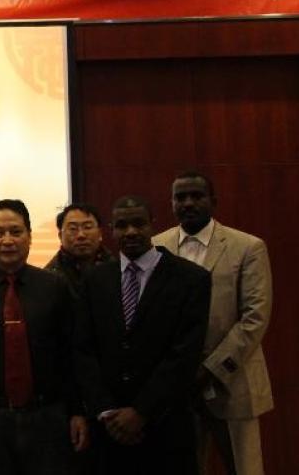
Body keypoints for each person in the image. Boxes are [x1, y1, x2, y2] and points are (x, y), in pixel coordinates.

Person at [76, 195, 210, 475]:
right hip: (109, 430)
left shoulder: (191, 279)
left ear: (153, 225)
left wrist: (141, 411)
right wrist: (107, 411)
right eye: (121, 226)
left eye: (138, 224)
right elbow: (84, 350)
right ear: (110, 230)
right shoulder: (94, 279)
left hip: (166, 426)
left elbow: (185, 354)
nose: (130, 232)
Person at [0, 199, 87, 475]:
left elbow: (70, 353)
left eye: (16, 232)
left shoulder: (54, 286)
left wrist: (76, 411)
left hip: (48, 417)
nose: (7, 240)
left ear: (29, 236)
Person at [152, 172, 273, 475]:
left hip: (233, 382)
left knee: (244, 469)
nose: (188, 203)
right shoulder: (156, 247)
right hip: (177, 390)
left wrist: (210, 369)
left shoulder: (248, 247)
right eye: (180, 197)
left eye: (197, 196)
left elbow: (254, 317)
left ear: (213, 201)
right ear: (171, 203)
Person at [44, 203, 114, 299]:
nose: (81, 235)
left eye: (87, 227)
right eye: (73, 228)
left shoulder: (119, 271)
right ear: (60, 236)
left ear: (100, 233)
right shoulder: (48, 278)